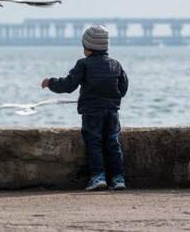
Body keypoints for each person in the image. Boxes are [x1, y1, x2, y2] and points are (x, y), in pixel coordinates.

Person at [41, 25, 129, 191]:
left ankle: (98, 176)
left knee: (94, 142)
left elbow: (68, 85)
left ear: (87, 47)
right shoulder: (115, 65)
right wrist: (112, 98)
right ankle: (118, 178)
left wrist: (50, 82)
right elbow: (123, 87)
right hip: (112, 112)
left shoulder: (84, 64)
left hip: (91, 113)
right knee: (112, 143)